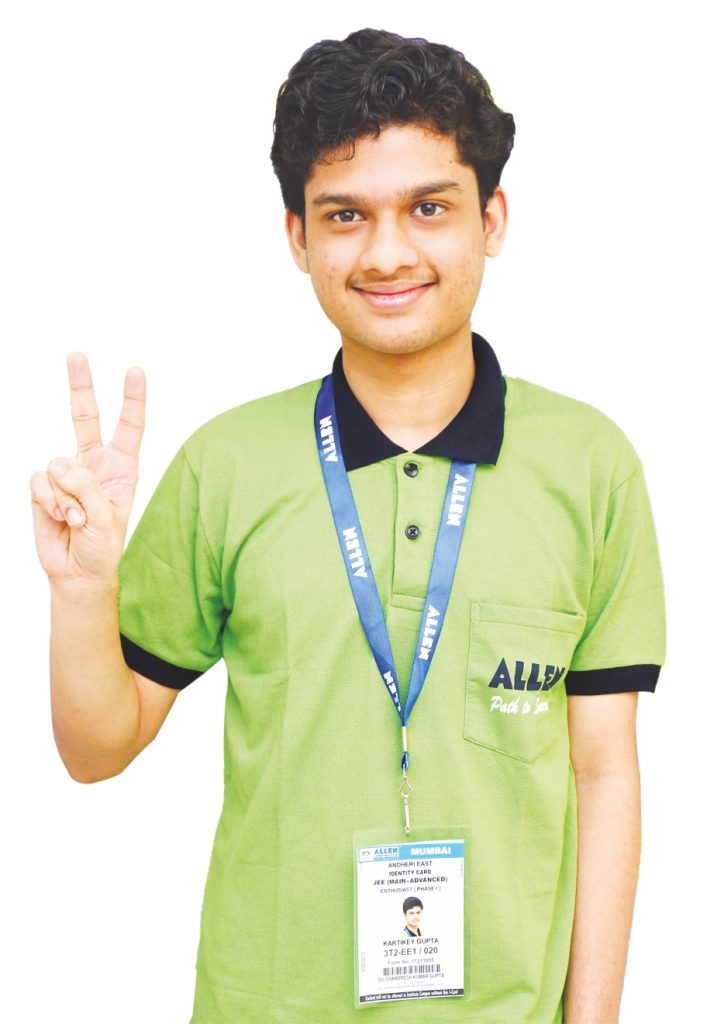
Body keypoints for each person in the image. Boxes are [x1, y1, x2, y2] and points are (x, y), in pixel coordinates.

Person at [30, 27, 666, 1024]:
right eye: (344, 215)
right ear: (297, 237)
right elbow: (96, 749)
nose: (386, 252)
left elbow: (603, 773)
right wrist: (81, 592)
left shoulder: (589, 467)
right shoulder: (226, 466)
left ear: (491, 219)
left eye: (428, 208)